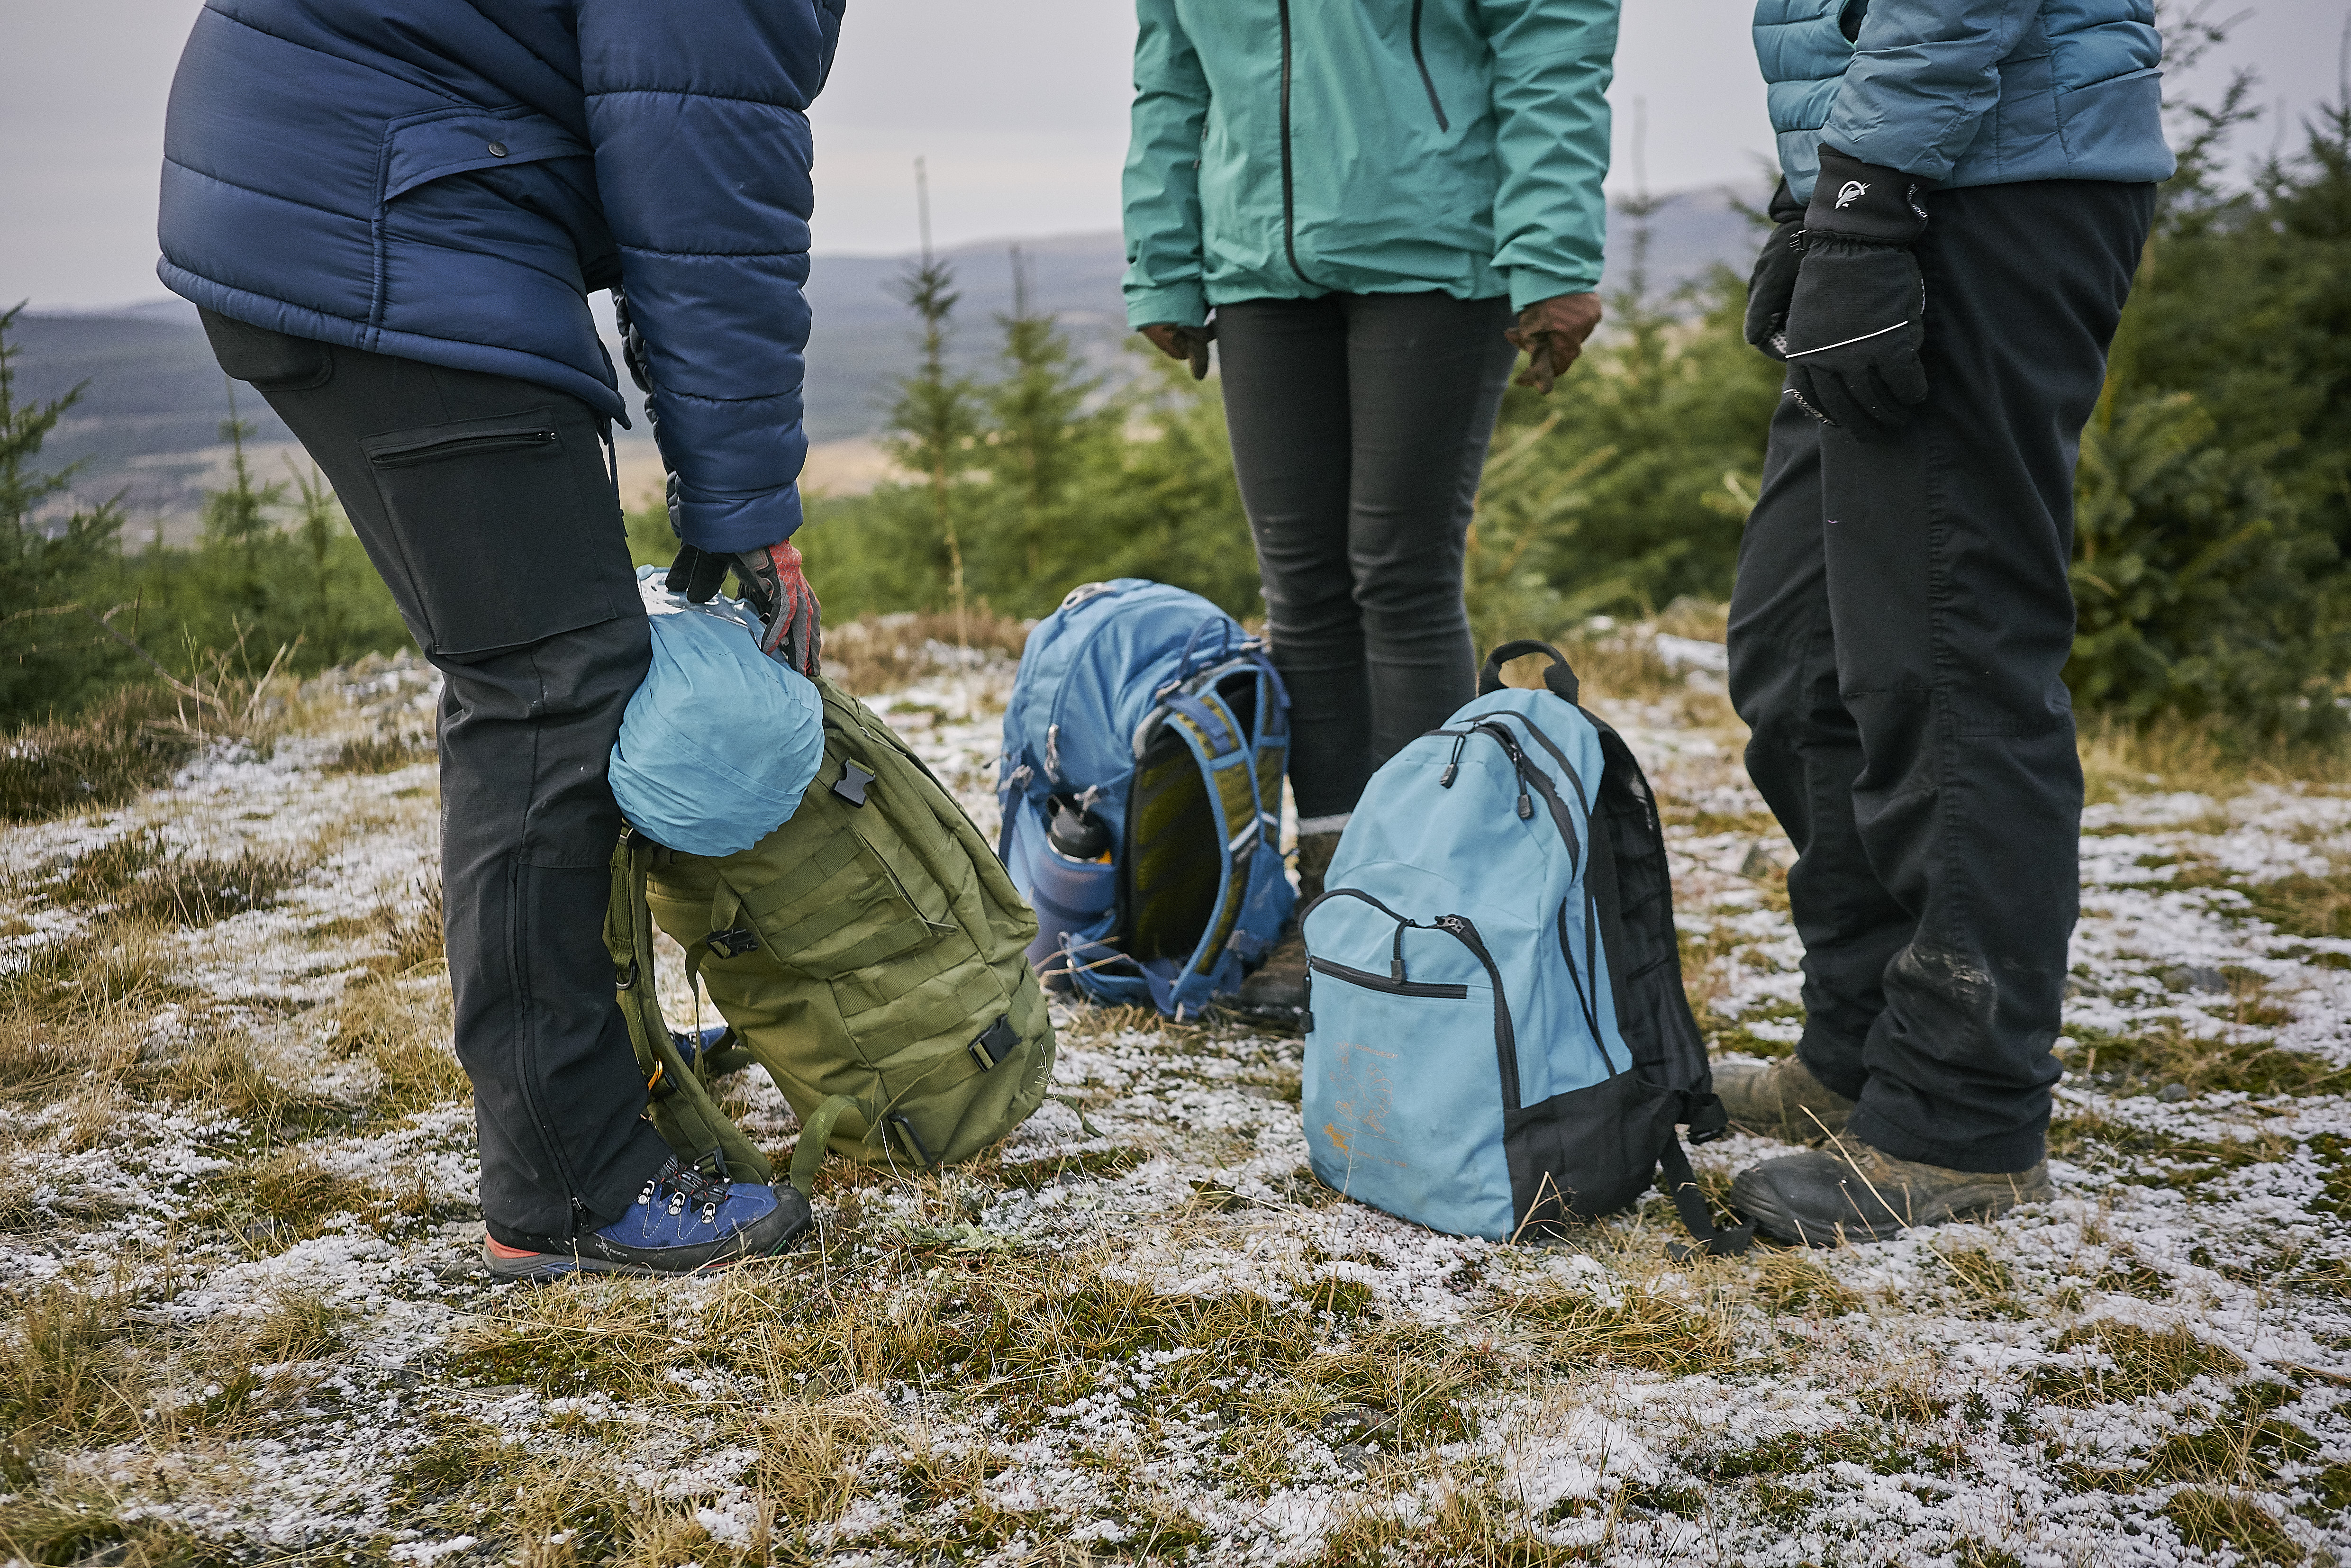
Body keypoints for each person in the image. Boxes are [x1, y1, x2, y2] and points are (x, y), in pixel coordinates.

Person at [156, 0, 840, 1278]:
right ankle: (567, 1182)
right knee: (548, 687)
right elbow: (703, 201)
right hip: (388, 209)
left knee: (549, 670)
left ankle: (581, 1070)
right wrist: (748, 509)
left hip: (347, 182)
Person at [1720, 0, 2171, 1242]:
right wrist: (1812, 200)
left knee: (1947, 656)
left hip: (1987, 178)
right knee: (1795, 649)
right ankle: (1861, 1050)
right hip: (1893, 178)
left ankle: (1961, 1119)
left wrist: (1867, 192)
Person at [1120, 0, 1621, 1011]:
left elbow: (1552, 30)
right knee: (1300, 586)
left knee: (1399, 572)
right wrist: (1164, 256)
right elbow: (1171, 72)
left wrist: (1554, 250)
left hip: (1435, 244)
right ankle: (1334, 905)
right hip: (1258, 256)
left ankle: (1422, 908)